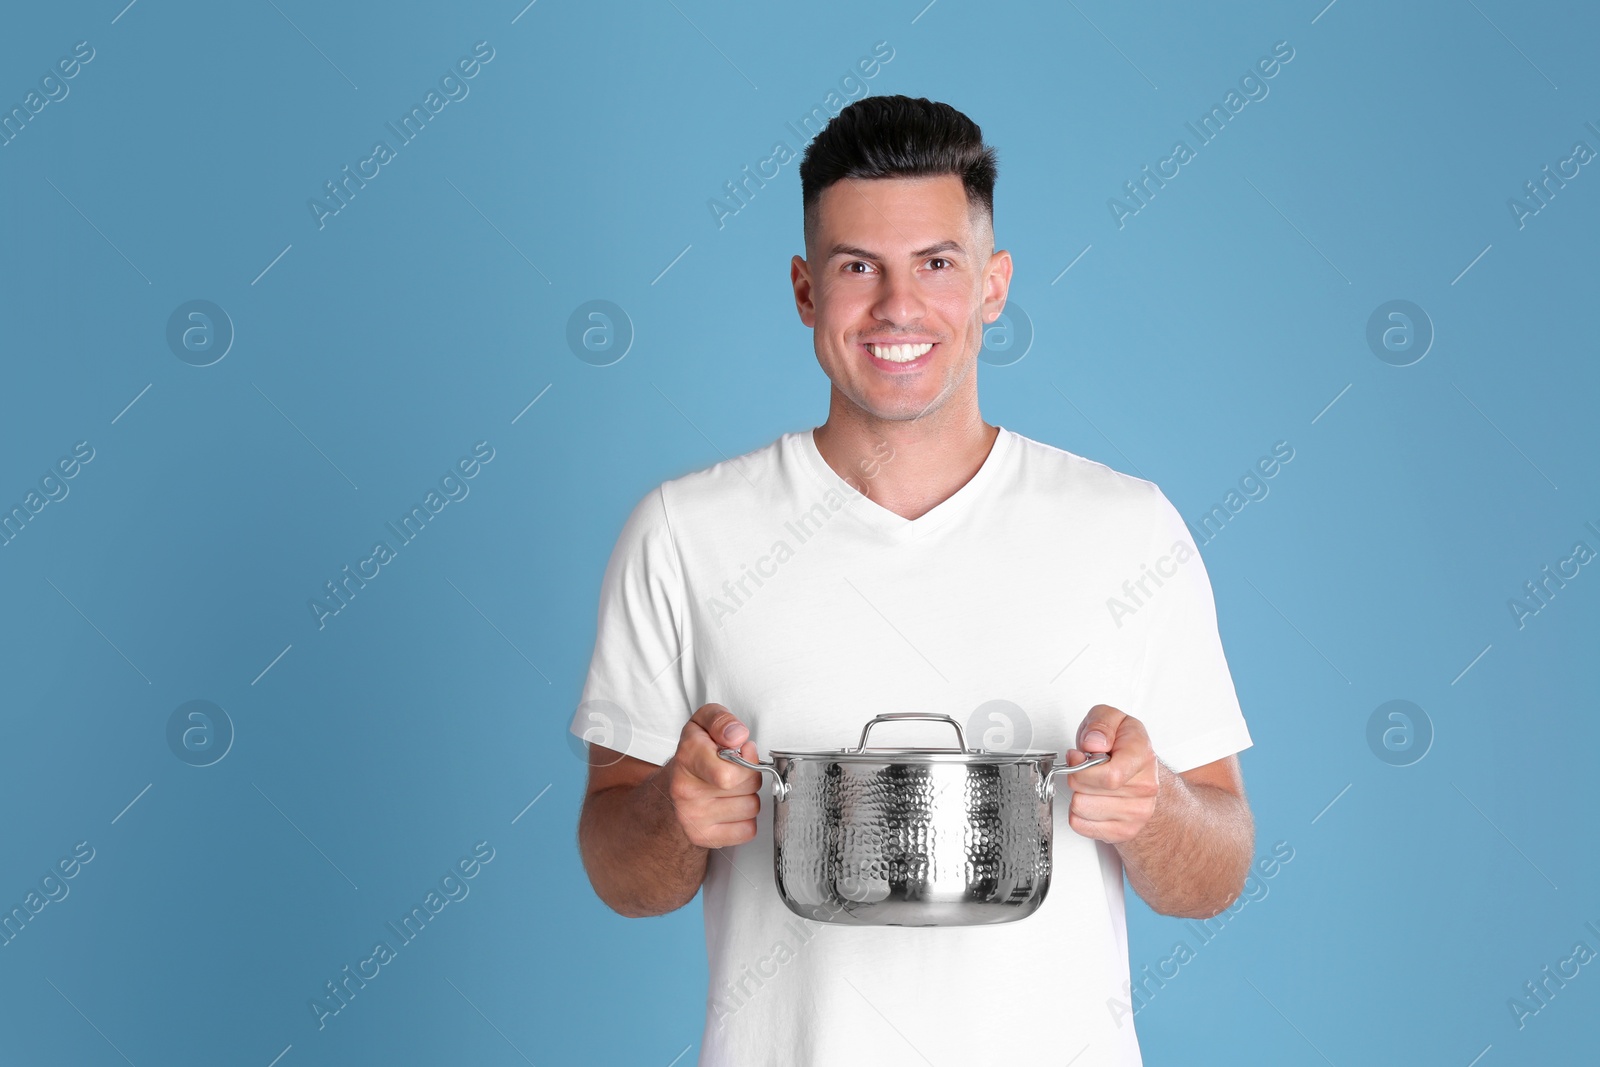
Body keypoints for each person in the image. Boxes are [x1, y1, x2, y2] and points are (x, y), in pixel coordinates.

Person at [571, 94, 1255, 1066]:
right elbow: (618, 865)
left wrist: (1158, 810)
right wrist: (669, 813)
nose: (898, 306)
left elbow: (1214, 868)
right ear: (807, 290)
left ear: (992, 284)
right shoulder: (685, 532)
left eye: (935, 262)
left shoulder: (1126, 528)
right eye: (859, 267)